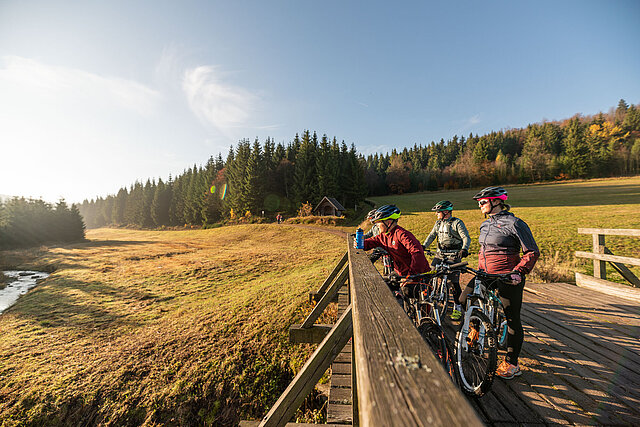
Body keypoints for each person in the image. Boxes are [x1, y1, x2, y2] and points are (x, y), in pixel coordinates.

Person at [466, 186, 539, 380]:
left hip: (508, 276)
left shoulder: (515, 223)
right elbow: (484, 251)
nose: (479, 206)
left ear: (496, 202)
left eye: (482, 202)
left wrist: (519, 272)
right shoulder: (485, 224)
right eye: (479, 203)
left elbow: (532, 252)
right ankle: (475, 327)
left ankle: (511, 363)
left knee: (513, 318)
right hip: (485, 274)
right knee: (464, 298)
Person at [422, 200, 471, 321]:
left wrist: (464, 249)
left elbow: (466, 237)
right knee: (430, 274)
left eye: (438, 212)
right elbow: (432, 235)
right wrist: (423, 246)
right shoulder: (438, 223)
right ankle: (428, 299)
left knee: (453, 282)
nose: (436, 214)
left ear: (446, 212)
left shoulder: (457, 223)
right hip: (440, 254)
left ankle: (457, 308)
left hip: (454, 255)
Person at [358, 205, 429, 278]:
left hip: (416, 276)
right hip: (400, 273)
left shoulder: (402, 234)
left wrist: (411, 276)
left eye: (378, 222)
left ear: (388, 223)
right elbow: (372, 242)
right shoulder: (384, 236)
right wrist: (360, 243)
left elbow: (417, 253)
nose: (377, 225)